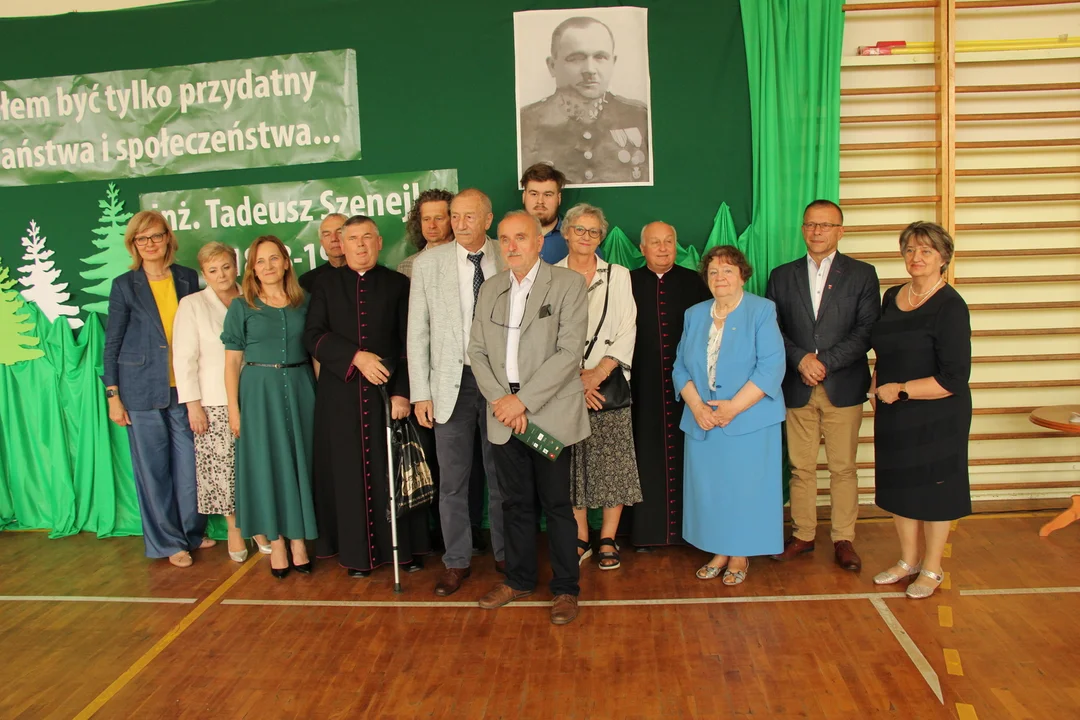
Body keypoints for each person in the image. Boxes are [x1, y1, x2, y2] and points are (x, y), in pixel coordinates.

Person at [469, 210, 590, 626]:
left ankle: (565, 590)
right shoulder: (491, 288)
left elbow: (569, 353)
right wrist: (503, 401)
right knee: (514, 503)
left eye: (521, 237)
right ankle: (519, 580)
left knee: (557, 505)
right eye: (504, 239)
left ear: (540, 242)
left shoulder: (570, 284)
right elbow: (478, 352)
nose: (512, 246)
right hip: (504, 414)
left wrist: (523, 403)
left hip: (548, 414)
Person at [303, 215, 430, 577]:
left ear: (378, 242)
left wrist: (403, 393)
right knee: (349, 477)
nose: (360, 245)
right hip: (340, 398)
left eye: (367, 238)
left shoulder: (398, 284)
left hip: (387, 395)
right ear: (341, 244)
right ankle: (359, 556)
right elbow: (312, 335)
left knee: (393, 474)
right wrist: (355, 357)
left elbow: (411, 344)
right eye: (353, 239)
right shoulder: (325, 285)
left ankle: (404, 552)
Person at [766, 200, 879, 572]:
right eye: (811, 225)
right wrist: (800, 358)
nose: (817, 231)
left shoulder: (862, 275)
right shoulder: (781, 275)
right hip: (796, 385)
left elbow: (866, 331)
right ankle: (803, 535)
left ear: (840, 231)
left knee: (843, 467)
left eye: (825, 225)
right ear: (802, 229)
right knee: (801, 468)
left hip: (842, 385)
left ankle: (843, 538)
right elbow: (772, 329)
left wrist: (823, 362)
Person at [407, 189, 507, 596]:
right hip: (451, 384)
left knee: (502, 475)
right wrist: (420, 392)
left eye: (469, 216)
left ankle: (505, 553)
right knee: (452, 480)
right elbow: (418, 332)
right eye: (455, 216)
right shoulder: (428, 264)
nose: (460, 223)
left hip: (501, 384)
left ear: (488, 219)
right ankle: (456, 561)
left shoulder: (510, 253)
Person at [102, 210, 209, 568]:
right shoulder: (124, 285)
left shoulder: (186, 277)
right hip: (140, 392)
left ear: (168, 238)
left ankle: (192, 533)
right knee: (154, 472)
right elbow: (112, 342)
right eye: (141, 239)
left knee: (189, 470)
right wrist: (113, 395)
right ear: (134, 244)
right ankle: (168, 542)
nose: (149, 244)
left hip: (185, 390)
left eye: (155, 236)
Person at [870, 221, 971, 600]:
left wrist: (902, 390)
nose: (917, 257)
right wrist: (875, 382)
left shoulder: (951, 307)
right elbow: (886, 349)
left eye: (926, 251)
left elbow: (954, 378)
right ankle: (907, 560)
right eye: (910, 250)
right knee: (900, 486)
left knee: (935, 491)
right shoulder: (893, 295)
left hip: (937, 413)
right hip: (894, 409)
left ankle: (932, 567)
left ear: (943, 258)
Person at [674, 246, 785, 585]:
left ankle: (739, 555)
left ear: (742, 275)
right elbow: (680, 368)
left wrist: (732, 408)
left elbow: (771, 368)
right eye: (713, 272)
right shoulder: (694, 314)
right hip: (703, 421)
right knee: (712, 492)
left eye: (727, 271)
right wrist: (696, 407)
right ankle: (718, 549)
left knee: (744, 490)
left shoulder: (762, 310)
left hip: (748, 420)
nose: (720, 277)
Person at [223, 235, 317, 579]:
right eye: (260, 261)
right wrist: (234, 409)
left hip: (301, 387)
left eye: (273, 258)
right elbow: (232, 362)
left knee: (299, 464)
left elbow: (316, 352)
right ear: (252, 269)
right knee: (267, 467)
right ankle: (276, 542)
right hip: (259, 393)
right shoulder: (241, 306)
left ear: (286, 262)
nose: (268, 266)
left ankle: (299, 542)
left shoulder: (304, 301)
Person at [173, 242, 271, 562]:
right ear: (204, 274)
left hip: (256, 396)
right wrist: (193, 405)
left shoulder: (254, 298)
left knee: (255, 464)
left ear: (237, 267)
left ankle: (258, 524)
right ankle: (234, 528)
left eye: (226, 267)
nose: (221, 275)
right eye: (213, 270)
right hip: (214, 401)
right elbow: (184, 358)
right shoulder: (192, 305)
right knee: (224, 469)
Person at [554, 203, 640, 570]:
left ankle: (607, 537)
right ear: (566, 233)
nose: (586, 237)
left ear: (601, 238)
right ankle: (580, 537)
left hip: (608, 384)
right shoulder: (550, 275)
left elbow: (627, 327)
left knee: (613, 463)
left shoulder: (618, 275)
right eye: (579, 230)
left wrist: (597, 374)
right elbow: (543, 336)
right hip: (563, 386)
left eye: (593, 232)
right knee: (572, 466)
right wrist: (575, 379)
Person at [626, 221, 710, 549]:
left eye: (669, 242)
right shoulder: (627, 282)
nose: (663, 248)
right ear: (642, 248)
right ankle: (646, 532)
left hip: (688, 387)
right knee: (643, 455)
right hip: (641, 387)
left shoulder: (695, 282)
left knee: (689, 458)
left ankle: (690, 533)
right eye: (655, 242)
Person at [519, 16, 650, 185]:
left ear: (613, 63)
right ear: (552, 66)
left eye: (600, 57)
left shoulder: (638, 116)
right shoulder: (526, 122)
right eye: (576, 58)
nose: (589, 70)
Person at [396, 189, 455, 279]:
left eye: (438, 218)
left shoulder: (467, 259)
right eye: (426, 219)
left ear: (453, 220)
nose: (432, 225)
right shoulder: (406, 266)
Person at [520, 163, 568, 264]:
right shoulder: (505, 238)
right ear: (524, 196)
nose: (540, 201)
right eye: (534, 194)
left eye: (547, 194)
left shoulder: (577, 240)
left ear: (559, 198)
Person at [298, 213, 347, 294]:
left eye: (340, 232)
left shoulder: (369, 275)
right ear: (321, 242)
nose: (334, 238)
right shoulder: (307, 281)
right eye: (327, 234)